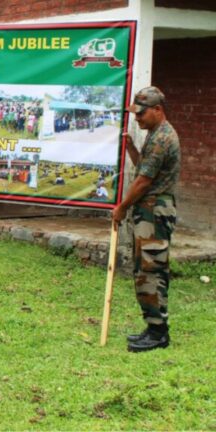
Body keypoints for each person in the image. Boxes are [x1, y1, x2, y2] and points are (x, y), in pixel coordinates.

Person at [112, 86, 180, 352]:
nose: (137, 118)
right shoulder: (154, 135)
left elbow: (143, 181)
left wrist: (122, 207)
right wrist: (131, 148)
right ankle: (153, 327)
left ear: (157, 110)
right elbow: (144, 167)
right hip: (150, 210)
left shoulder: (163, 138)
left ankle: (158, 333)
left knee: (151, 269)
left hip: (154, 210)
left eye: (141, 114)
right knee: (146, 268)